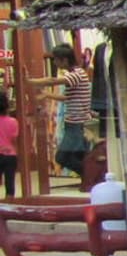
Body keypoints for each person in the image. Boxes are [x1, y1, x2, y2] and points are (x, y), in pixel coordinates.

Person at [27, 43, 94, 177]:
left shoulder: (76, 74)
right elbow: (67, 97)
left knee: (62, 157)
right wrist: (47, 95)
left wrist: (30, 81)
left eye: (56, 59)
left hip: (77, 123)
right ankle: (89, 178)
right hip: (74, 123)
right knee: (78, 156)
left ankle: (90, 176)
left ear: (64, 60)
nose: (55, 62)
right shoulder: (76, 74)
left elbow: (53, 81)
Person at [0, 95, 18, 198]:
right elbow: (14, 140)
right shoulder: (13, 122)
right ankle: (10, 206)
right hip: (10, 155)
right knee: (10, 183)